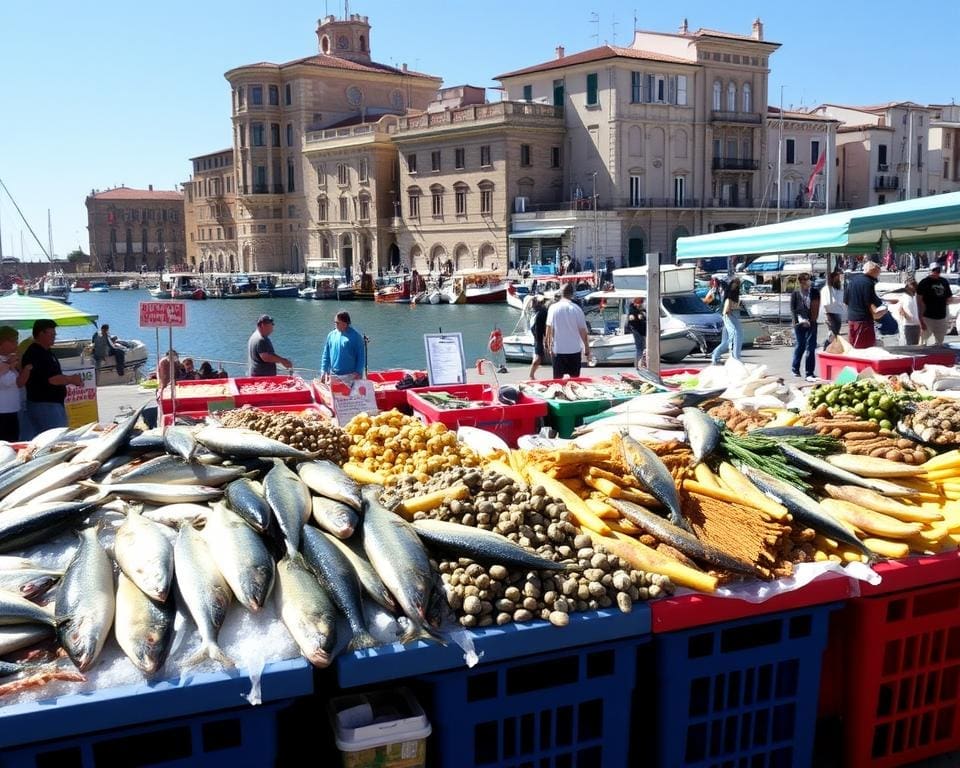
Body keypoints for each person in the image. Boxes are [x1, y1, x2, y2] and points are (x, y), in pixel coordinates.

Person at [22, 319, 82, 438]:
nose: (55, 336)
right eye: (52, 333)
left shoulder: (47, 351)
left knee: (59, 437)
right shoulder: (36, 353)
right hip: (44, 405)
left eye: (55, 333)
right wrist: (71, 379)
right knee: (56, 439)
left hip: (52, 403)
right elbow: (52, 379)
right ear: (41, 334)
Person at [544, 282, 592, 378]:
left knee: (557, 380)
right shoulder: (577, 309)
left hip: (558, 350)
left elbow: (549, 328)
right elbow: (583, 331)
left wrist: (548, 345)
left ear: (561, 293)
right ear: (572, 294)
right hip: (574, 350)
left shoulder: (553, 308)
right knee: (574, 380)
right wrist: (587, 348)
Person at [844, 260, 886, 349]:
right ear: (873, 271)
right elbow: (870, 304)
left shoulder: (852, 281)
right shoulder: (869, 283)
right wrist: (883, 310)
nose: (878, 275)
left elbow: (846, 301)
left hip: (852, 319)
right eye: (878, 273)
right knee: (866, 349)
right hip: (864, 322)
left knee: (853, 348)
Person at [790, 274, 820, 381]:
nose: (805, 282)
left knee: (811, 347)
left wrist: (811, 320)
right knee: (800, 345)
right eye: (802, 280)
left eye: (807, 280)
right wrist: (798, 322)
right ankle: (795, 368)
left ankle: (809, 372)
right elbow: (793, 310)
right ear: (799, 282)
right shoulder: (795, 294)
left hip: (811, 322)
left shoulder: (815, 292)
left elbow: (816, 307)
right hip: (799, 323)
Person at [320, 311, 366, 381]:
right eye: (334, 322)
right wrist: (324, 370)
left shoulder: (356, 337)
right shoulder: (331, 335)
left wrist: (358, 372)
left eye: (337, 323)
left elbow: (361, 357)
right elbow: (326, 355)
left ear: (345, 324)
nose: (335, 324)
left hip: (351, 376)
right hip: (334, 374)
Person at [917, 262, 954, 345]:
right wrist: (920, 319)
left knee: (939, 343)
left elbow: (949, 298)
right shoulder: (924, 283)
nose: (936, 272)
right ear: (930, 270)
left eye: (938, 270)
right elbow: (919, 302)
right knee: (924, 344)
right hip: (927, 317)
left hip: (941, 317)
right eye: (934, 270)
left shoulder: (944, 282)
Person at [0, 326, 26, 443]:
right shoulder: (3, 361)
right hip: (3, 412)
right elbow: (6, 382)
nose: (16, 344)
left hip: (11, 410)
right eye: (13, 341)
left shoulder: (7, 360)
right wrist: (10, 366)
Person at [710, 277, 743, 365]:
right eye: (735, 283)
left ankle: (715, 355)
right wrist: (729, 311)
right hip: (729, 316)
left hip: (730, 316)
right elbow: (727, 306)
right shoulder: (730, 295)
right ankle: (735, 358)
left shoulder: (732, 294)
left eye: (737, 283)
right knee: (735, 336)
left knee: (727, 340)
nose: (736, 285)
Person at [819, 269, 845, 350]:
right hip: (831, 313)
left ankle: (831, 348)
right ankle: (826, 346)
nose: (838, 279)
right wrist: (827, 316)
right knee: (833, 334)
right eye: (837, 278)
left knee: (836, 333)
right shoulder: (827, 289)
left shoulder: (837, 288)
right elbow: (825, 303)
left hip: (837, 313)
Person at [527, 296, 549, 380]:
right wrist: (545, 339)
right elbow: (542, 327)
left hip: (537, 337)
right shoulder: (542, 312)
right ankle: (531, 375)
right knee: (538, 357)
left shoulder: (537, 313)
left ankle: (531, 375)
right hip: (539, 338)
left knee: (538, 357)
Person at [895, 278, 922, 345]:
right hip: (907, 325)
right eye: (911, 286)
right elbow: (900, 309)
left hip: (917, 324)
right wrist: (907, 317)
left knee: (916, 346)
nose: (913, 288)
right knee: (908, 346)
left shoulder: (917, 296)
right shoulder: (904, 297)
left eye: (914, 286)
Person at [625, 295, 647, 369]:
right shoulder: (634, 310)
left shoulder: (636, 309)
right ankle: (638, 365)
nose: (640, 304)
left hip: (640, 330)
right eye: (639, 302)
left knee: (641, 348)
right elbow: (636, 320)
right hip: (638, 331)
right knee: (640, 348)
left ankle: (639, 365)